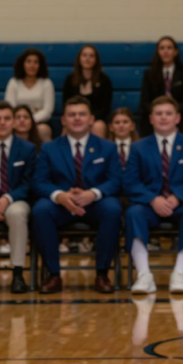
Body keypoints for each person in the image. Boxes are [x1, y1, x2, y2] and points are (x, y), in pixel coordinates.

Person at [31, 96, 123, 294]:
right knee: (40, 210)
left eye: (82, 114)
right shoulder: (49, 148)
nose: (77, 119)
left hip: (94, 204)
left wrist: (93, 193)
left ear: (91, 119)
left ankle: (102, 274)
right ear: (63, 120)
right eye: (72, 115)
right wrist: (59, 196)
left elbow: (115, 180)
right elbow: (39, 181)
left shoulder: (107, 147)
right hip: (61, 205)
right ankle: (53, 275)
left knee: (113, 208)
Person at [124, 96, 183, 295]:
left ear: (178, 118)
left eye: (168, 113)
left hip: (181, 205)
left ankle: (179, 273)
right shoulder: (139, 147)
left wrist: (177, 197)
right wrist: (152, 199)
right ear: (151, 118)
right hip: (149, 205)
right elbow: (130, 182)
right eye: (159, 113)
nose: (163, 117)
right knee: (133, 213)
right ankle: (144, 275)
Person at [0, 102, 37, 294]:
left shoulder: (27, 149)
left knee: (17, 214)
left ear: (13, 122)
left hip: (15, 198)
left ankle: (18, 272)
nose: (2, 123)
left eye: (6, 118)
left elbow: (29, 183)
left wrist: (8, 198)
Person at [138, 37, 183, 137]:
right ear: (157, 51)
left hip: (178, 113)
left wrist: (172, 112)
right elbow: (144, 101)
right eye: (162, 48)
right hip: (156, 114)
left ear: (175, 51)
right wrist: (158, 112)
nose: (165, 51)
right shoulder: (149, 74)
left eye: (169, 48)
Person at [4, 47, 55, 143]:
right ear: (22, 64)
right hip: (17, 121)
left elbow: (48, 111)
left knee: (43, 130)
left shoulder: (46, 83)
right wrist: (21, 120)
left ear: (40, 65)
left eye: (36, 62)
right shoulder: (13, 82)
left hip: (40, 122)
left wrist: (30, 120)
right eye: (29, 61)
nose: (32, 65)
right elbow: (10, 107)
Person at [62, 45, 113, 138]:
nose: (87, 58)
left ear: (96, 59)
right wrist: (77, 117)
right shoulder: (70, 79)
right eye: (84, 55)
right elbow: (66, 104)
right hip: (75, 117)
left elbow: (105, 108)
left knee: (99, 126)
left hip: (96, 119)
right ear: (79, 58)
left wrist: (88, 119)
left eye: (91, 56)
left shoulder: (104, 80)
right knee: (66, 128)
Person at [108, 108, 138, 172]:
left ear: (132, 126)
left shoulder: (141, 148)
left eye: (125, 122)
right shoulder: (104, 148)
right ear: (111, 127)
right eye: (117, 122)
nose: (121, 125)